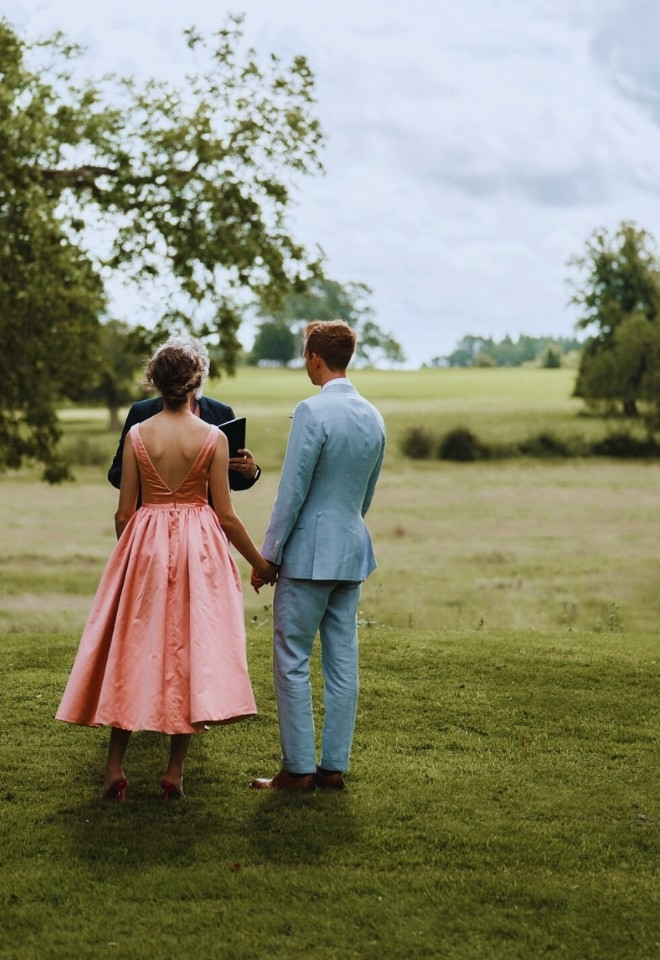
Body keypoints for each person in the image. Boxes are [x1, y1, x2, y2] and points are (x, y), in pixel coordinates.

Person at [56, 337, 275, 801]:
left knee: (131, 649)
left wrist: (134, 554)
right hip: (199, 551)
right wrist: (260, 564)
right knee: (190, 651)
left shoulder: (138, 435)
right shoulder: (213, 437)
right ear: (196, 382)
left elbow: (123, 513)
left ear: (154, 381)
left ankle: (114, 767)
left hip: (145, 545)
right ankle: (174, 772)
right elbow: (226, 515)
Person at [249, 320, 386, 792]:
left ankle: (298, 769)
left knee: (291, 658)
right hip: (351, 550)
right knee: (342, 661)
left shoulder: (311, 411)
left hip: (308, 555)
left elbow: (292, 492)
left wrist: (268, 556)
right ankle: (332, 768)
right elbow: (366, 494)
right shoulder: (374, 415)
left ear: (314, 358)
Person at [107, 336, 260, 494]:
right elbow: (116, 473)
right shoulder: (141, 412)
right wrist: (150, 473)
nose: (176, 379)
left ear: (199, 375)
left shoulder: (221, 413)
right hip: (154, 504)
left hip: (206, 507)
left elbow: (232, 480)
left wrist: (250, 472)